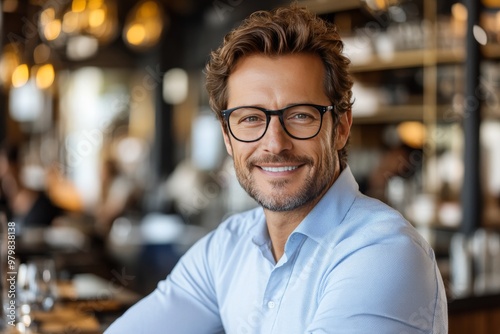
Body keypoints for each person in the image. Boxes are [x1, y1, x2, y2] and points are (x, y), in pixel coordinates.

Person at [105, 4, 447, 333]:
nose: (274, 144)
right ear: (227, 137)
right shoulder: (227, 247)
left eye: (300, 115)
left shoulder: (383, 253)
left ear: (341, 127)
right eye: (251, 119)